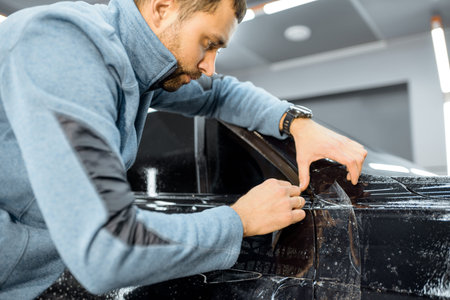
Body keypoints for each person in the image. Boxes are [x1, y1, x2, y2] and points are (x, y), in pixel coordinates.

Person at [0, 0, 367, 298]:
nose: (209, 66)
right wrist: (239, 221)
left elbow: (218, 93)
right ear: (163, 8)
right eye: (208, 43)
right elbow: (106, 249)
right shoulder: (64, 45)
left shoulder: (138, 62)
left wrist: (297, 123)